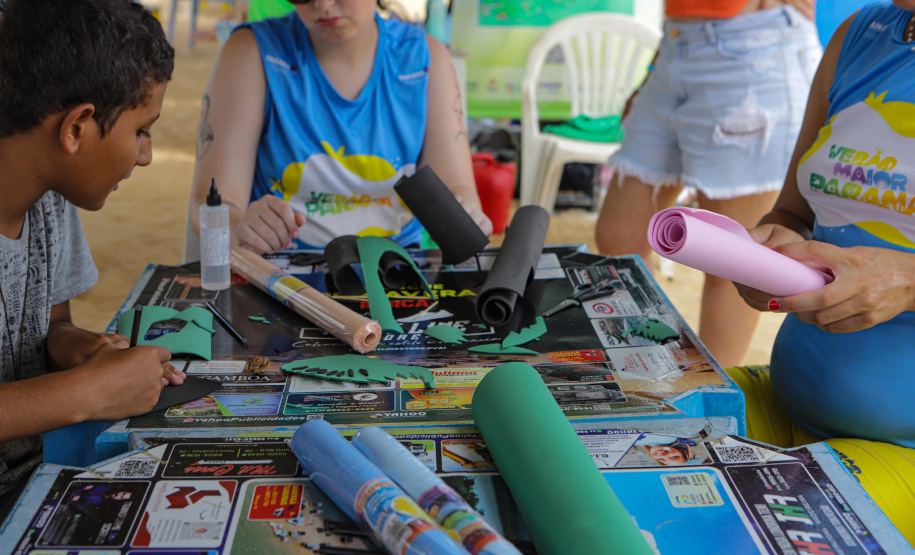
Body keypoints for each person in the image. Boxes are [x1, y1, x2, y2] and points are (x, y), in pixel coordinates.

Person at [731, 1, 915, 542]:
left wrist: (907, 281)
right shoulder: (860, 33)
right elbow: (792, 212)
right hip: (791, 398)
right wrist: (770, 249)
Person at [0, 0, 184, 519]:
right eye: (141, 130)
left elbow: (53, 321)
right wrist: (86, 391)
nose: (145, 155)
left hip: (31, 482)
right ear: (77, 127)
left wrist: (77, 347)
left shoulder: (49, 197)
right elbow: (77, 398)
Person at [595, 0, 822, 367]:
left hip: (755, 47)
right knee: (620, 238)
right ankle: (660, 363)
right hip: (675, 47)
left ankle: (707, 396)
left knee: (730, 260)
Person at [188, 0, 491, 255]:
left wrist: (465, 214)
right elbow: (210, 203)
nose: (322, 5)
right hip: (282, 281)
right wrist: (241, 228)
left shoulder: (425, 60)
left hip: (397, 275)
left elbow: (456, 189)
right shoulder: (252, 53)